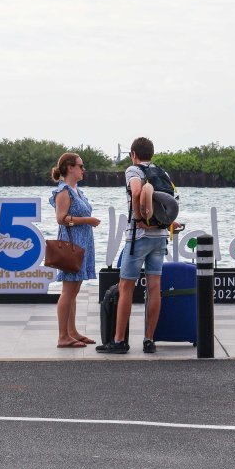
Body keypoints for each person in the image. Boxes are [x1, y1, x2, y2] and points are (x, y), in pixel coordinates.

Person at [97, 137, 173, 354]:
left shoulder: (133, 170)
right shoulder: (163, 173)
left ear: (133, 154)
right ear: (152, 154)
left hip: (138, 236)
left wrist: (140, 218)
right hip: (160, 235)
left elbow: (137, 192)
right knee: (154, 288)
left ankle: (119, 340)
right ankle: (149, 340)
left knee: (126, 287)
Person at [49, 152, 100, 347]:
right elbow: (61, 218)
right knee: (68, 290)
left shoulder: (76, 190)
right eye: (80, 166)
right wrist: (87, 220)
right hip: (72, 244)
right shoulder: (64, 191)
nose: (83, 169)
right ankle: (63, 336)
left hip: (82, 242)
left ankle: (72, 331)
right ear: (70, 168)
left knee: (74, 290)